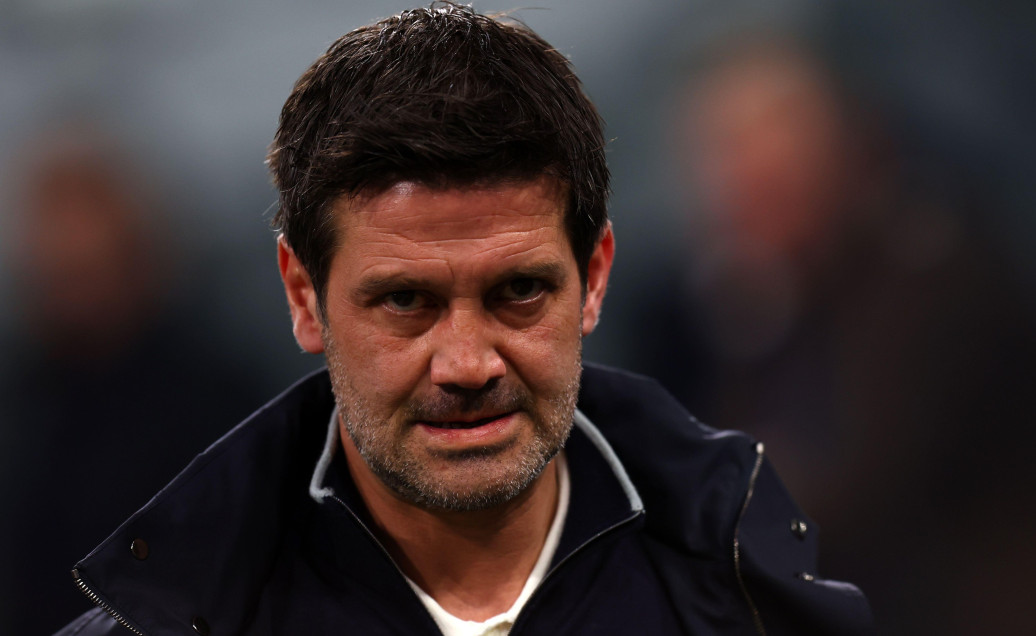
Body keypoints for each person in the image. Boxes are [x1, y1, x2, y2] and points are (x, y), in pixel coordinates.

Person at [56, 4, 872, 634]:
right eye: (406, 302)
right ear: (304, 298)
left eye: (518, 291)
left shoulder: (758, 607)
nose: (466, 362)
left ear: (594, 279)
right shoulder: (165, 618)